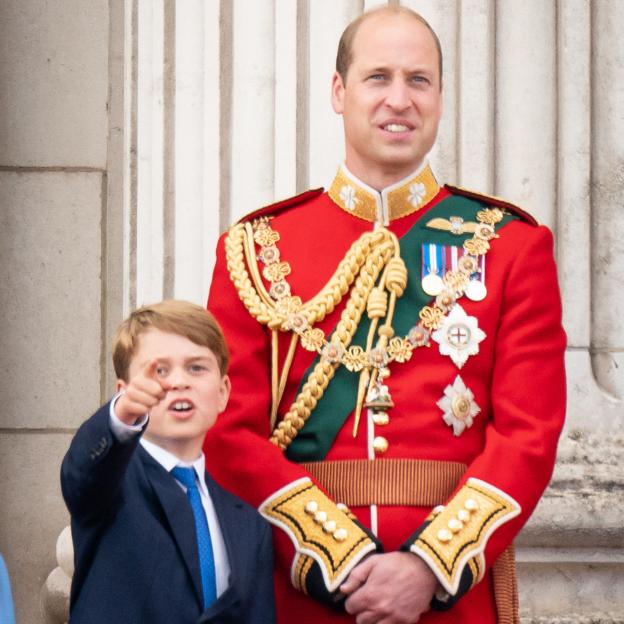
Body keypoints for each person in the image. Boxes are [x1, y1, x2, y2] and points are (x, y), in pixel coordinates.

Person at [204, 6, 566, 624]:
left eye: (418, 80)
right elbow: (225, 432)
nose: (399, 99)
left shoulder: (509, 245)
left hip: (450, 598)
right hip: (299, 597)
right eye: (378, 78)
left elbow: (528, 437)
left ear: (442, 97)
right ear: (339, 92)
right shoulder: (256, 249)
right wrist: (337, 559)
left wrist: (429, 566)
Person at [61, 300, 275, 623]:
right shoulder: (112, 486)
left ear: (223, 392)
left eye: (196, 368)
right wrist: (121, 415)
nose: (178, 382)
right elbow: (82, 474)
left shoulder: (248, 523)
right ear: (125, 391)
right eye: (160, 371)